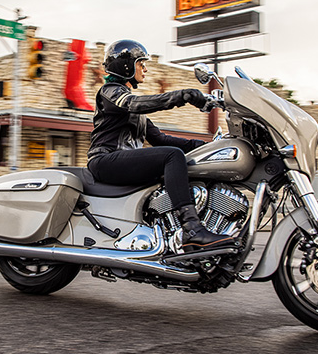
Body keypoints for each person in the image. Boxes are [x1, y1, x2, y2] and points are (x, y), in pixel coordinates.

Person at [87, 39, 234, 252]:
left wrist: (206, 146)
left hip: (119, 161)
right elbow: (133, 104)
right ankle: (192, 229)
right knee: (171, 157)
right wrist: (182, 96)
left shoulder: (133, 109)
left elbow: (161, 139)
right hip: (105, 160)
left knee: (172, 154)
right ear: (126, 66)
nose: (145, 68)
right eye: (140, 63)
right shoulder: (109, 92)